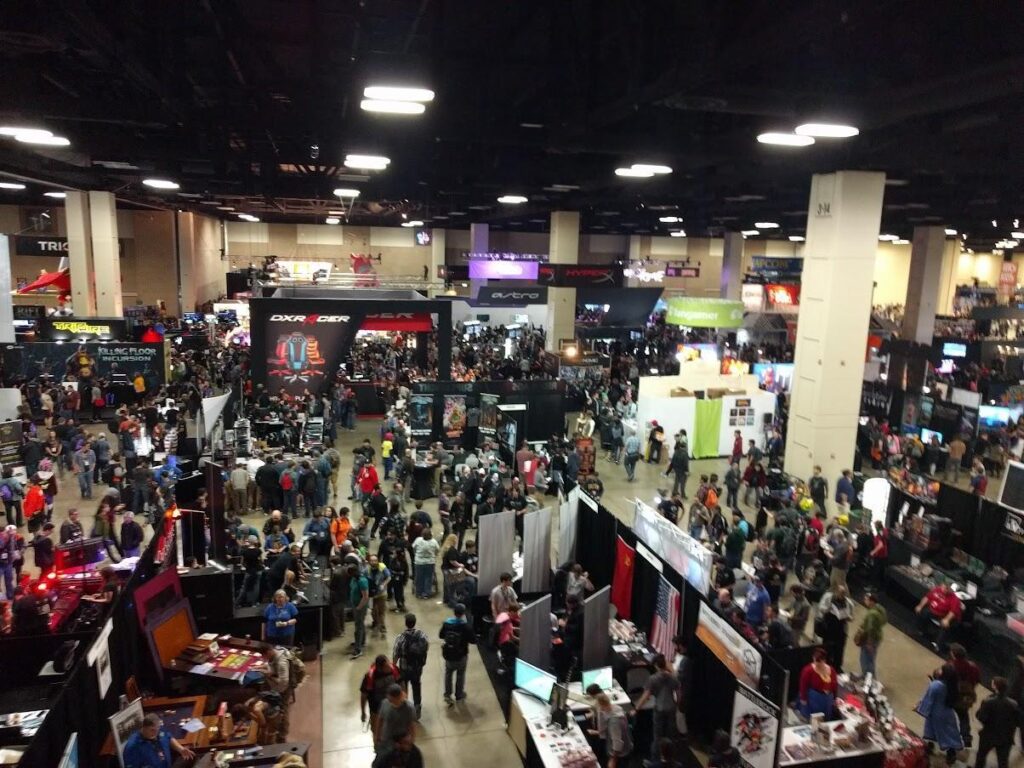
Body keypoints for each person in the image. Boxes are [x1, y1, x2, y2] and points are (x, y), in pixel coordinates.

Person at [917, 663, 964, 766]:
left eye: (941, 670)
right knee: (948, 734)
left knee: (931, 730)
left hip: (935, 713)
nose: (939, 670)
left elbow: (928, 699)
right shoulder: (953, 685)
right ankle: (951, 754)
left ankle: (929, 748)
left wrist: (921, 709)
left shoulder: (936, 685)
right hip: (948, 713)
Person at [634, 653, 679, 758]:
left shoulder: (653, 679)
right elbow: (678, 692)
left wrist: (636, 708)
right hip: (671, 707)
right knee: (670, 735)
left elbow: (646, 695)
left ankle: (655, 759)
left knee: (657, 736)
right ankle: (670, 758)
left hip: (659, 708)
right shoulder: (673, 677)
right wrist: (678, 704)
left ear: (656, 665)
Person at [974, 676, 1019, 768]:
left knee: (981, 757)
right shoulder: (1013, 704)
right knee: (1003, 762)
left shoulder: (988, 701)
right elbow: (1017, 721)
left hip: (988, 735)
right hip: (1005, 737)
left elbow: (982, 717)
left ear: (994, 686)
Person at [122, 713, 196, 768]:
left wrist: (180, 749)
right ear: (143, 727)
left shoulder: (159, 730)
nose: (155, 733)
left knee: (193, 757)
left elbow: (168, 737)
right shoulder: (132, 747)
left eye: (157, 729)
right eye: (152, 730)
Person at [393, 613, 429, 718]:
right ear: (415, 622)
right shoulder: (422, 636)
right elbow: (425, 648)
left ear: (406, 623)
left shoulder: (400, 638)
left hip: (404, 668)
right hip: (417, 668)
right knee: (416, 686)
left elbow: (396, 654)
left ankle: (405, 709)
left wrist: (394, 668)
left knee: (404, 688)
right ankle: (417, 708)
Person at [439, 602, 476, 704]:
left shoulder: (447, 623)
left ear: (454, 612)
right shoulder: (465, 626)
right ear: (463, 613)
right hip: (461, 655)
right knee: (460, 675)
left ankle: (447, 695)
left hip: (448, 654)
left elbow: (441, 635)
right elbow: (473, 640)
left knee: (448, 674)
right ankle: (459, 695)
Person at [360, 655, 402, 744]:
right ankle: (378, 749)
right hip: (376, 710)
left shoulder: (394, 670)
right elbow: (364, 695)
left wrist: (403, 701)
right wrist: (363, 712)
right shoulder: (369, 676)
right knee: (377, 731)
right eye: (386, 666)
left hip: (393, 707)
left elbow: (402, 685)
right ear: (379, 668)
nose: (389, 667)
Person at [587, 692, 633, 768]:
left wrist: (613, 760)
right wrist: (597, 732)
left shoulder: (614, 721)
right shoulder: (617, 708)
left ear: (601, 706)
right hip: (626, 746)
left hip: (619, 754)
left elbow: (617, 742)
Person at [949, 643, 980, 748]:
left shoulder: (951, 666)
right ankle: (966, 738)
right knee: (964, 717)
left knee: (946, 714)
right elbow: (977, 680)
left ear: (953, 654)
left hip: (952, 696)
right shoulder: (973, 667)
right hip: (966, 698)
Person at [915, 583, 962, 652]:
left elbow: (953, 612)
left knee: (944, 626)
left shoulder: (954, 599)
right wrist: (920, 606)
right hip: (933, 611)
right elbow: (927, 597)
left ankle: (937, 645)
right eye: (944, 587)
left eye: (947, 588)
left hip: (945, 616)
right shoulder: (936, 590)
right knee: (924, 612)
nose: (944, 589)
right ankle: (921, 631)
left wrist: (947, 619)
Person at [817, 586, 853, 672]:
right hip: (829, 628)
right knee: (827, 647)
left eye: (843, 594)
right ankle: (825, 663)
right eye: (840, 593)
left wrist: (849, 618)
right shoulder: (828, 597)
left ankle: (837, 667)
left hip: (840, 630)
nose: (842, 595)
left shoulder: (848, 602)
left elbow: (851, 614)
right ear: (836, 592)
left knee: (839, 649)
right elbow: (821, 607)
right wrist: (828, 609)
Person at [375, 683, 417, 753]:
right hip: (387, 739)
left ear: (399, 697)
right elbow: (380, 720)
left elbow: (412, 725)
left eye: (393, 700)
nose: (391, 701)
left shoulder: (409, 708)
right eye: (390, 700)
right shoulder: (385, 703)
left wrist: (411, 740)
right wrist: (377, 737)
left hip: (402, 740)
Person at [798, 647, 838, 719]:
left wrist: (834, 698)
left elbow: (835, 685)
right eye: (815, 661)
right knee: (815, 719)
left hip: (827, 699)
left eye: (819, 662)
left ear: (824, 660)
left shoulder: (831, 670)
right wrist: (803, 699)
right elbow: (803, 686)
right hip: (815, 699)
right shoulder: (808, 670)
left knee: (826, 717)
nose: (817, 664)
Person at [856, 591, 887, 679]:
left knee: (865, 659)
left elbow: (870, 629)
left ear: (872, 601)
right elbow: (884, 621)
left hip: (870, 640)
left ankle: (867, 678)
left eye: (866, 599)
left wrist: (869, 643)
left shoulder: (872, 614)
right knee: (871, 659)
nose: (864, 601)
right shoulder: (880, 609)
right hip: (878, 637)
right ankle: (871, 678)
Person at [367, 554, 392, 639]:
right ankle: (376, 623)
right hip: (372, 595)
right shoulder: (367, 569)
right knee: (373, 612)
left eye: (375, 560)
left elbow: (389, 577)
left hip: (381, 594)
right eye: (372, 560)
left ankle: (382, 627)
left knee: (381, 612)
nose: (373, 562)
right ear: (369, 561)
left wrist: (383, 584)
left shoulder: (382, 567)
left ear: (378, 561)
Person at [349, 563, 370, 659]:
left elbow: (365, 597)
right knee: (360, 624)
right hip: (355, 605)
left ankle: (358, 649)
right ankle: (362, 641)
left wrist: (359, 607)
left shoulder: (362, 581)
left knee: (358, 626)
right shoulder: (354, 579)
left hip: (360, 606)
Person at [411, 529, 439, 599]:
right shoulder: (434, 542)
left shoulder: (418, 540)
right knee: (428, 578)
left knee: (419, 578)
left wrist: (416, 554)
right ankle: (426, 593)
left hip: (419, 562)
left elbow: (413, 548)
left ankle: (419, 593)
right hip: (430, 562)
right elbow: (437, 550)